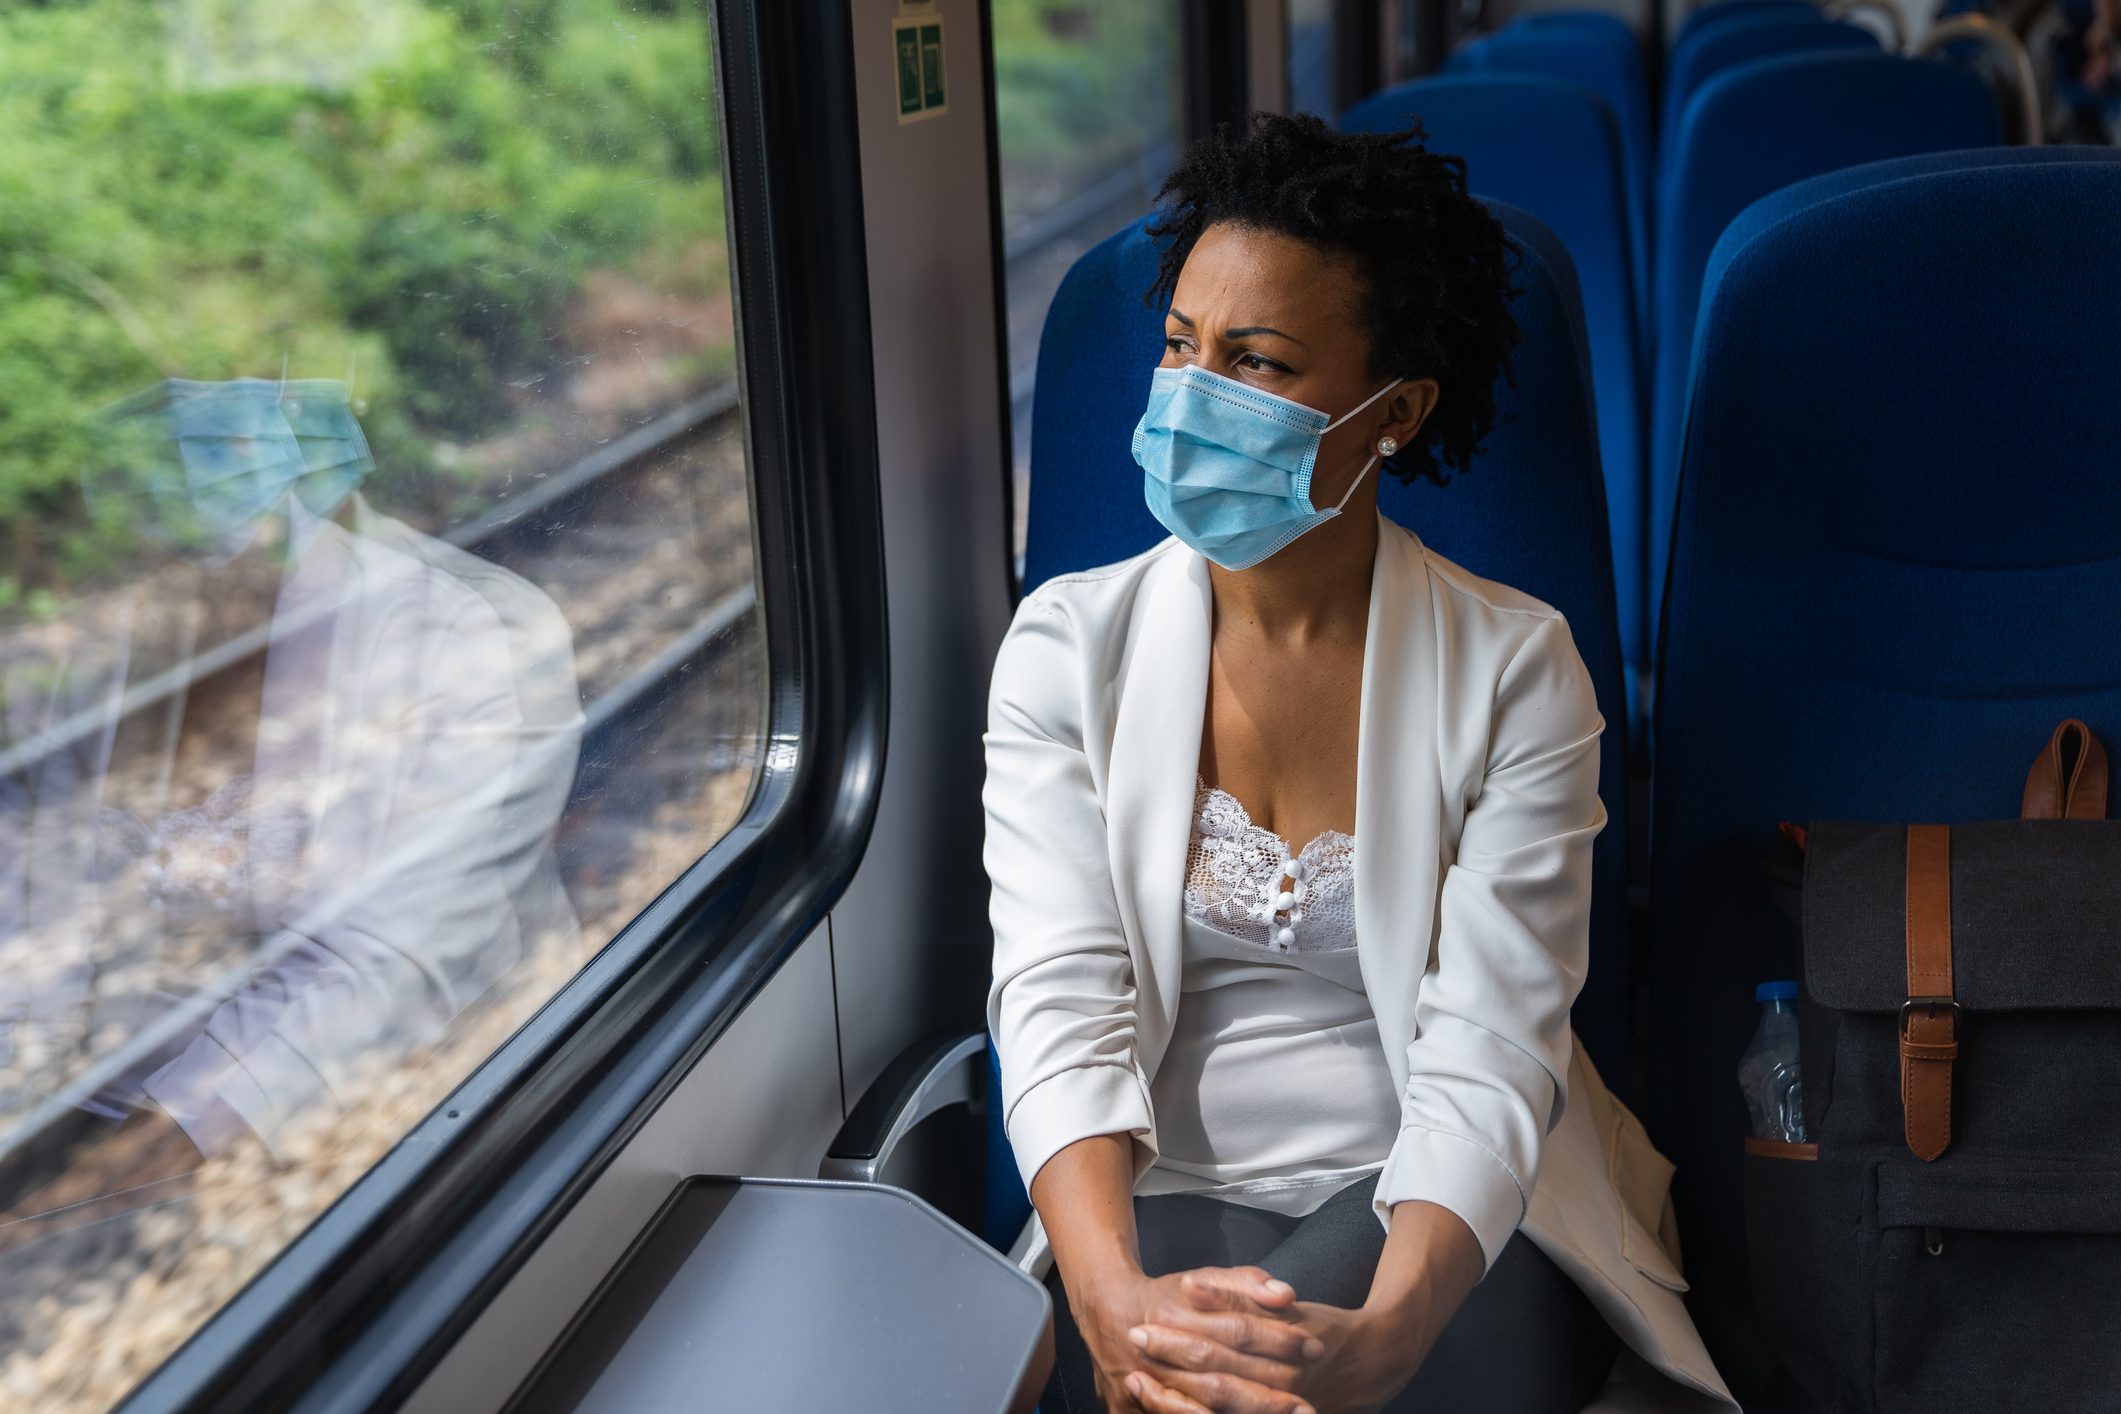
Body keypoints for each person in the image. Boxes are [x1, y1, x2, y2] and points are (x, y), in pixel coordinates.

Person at [984, 114, 1733, 1414]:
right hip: (1149, 1195)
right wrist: (1110, 1303)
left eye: (1256, 362)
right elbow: (1056, 1002)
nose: (1191, 394)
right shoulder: (1062, 649)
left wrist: (1386, 1328)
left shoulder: (1512, 665)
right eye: (1179, 345)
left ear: (1395, 413)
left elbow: (1493, 1042)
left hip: (1442, 1210)